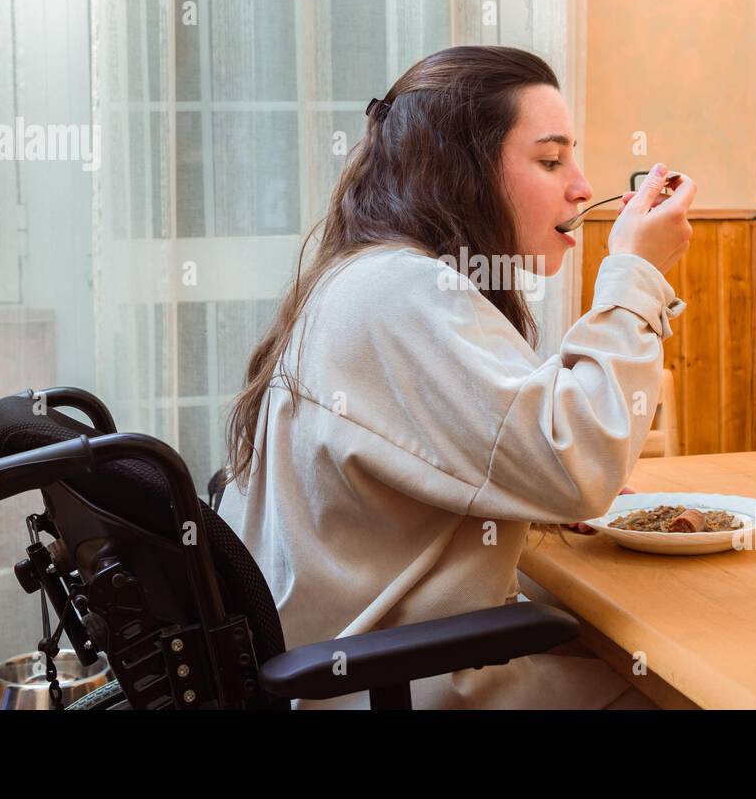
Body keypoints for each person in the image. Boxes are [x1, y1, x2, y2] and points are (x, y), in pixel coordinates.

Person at [220, 45, 696, 708]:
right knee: (688, 691)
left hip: (362, 674)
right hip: (395, 688)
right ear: (463, 172)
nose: (583, 186)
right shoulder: (403, 293)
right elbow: (581, 460)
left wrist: (530, 490)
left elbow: (498, 451)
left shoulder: (372, 276)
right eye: (551, 159)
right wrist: (637, 271)